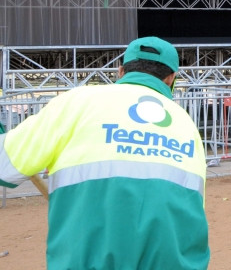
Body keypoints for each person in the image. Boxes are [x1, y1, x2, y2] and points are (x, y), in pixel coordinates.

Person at [0, 37, 210, 269]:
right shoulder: (187, 125)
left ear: (120, 71)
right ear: (171, 79)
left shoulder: (78, 101)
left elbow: (5, 164)